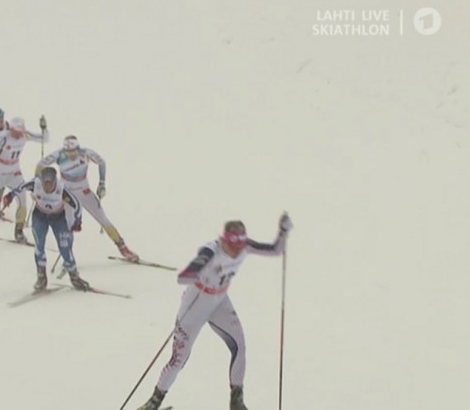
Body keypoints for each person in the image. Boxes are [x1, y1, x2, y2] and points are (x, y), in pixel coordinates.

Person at [137, 214, 294, 410]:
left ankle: (236, 401)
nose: (237, 253)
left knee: (240, 346)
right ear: (224, 241)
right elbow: (184, 277)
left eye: (239, 247)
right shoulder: (211, 250)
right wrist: (200, 271)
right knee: (179, 359)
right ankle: (154, 402)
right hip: (194, 307)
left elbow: (275, 250)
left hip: (219, 302)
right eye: (233, 247)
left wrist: (283, 232)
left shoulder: (244, 245)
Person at [36, 135, 139, 262]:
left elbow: (101, 162)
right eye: (68, 152)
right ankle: (68, 256)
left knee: (104, 220)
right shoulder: (59, 154)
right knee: (68, 225)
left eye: (73, 151)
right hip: (67, 195)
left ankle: (123, 247)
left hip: (84, 192)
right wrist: (39, 182)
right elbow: (41, 164)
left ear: (78, 148)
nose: (71, 155)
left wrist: (102, 183)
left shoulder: (85, 153)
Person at [3, 167, 89, 291]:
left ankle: (75, 277)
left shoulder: (62, 189)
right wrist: (10, 196)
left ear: (55, 181)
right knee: (39, 245)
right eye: (45, 183)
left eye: (50, 183)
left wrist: (77, 221)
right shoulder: (36, 184)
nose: (47, 187)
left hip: (58, 218)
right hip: (40, 216)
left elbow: (77, 205)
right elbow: (21, 187)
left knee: (65, 247)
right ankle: (41, 277)